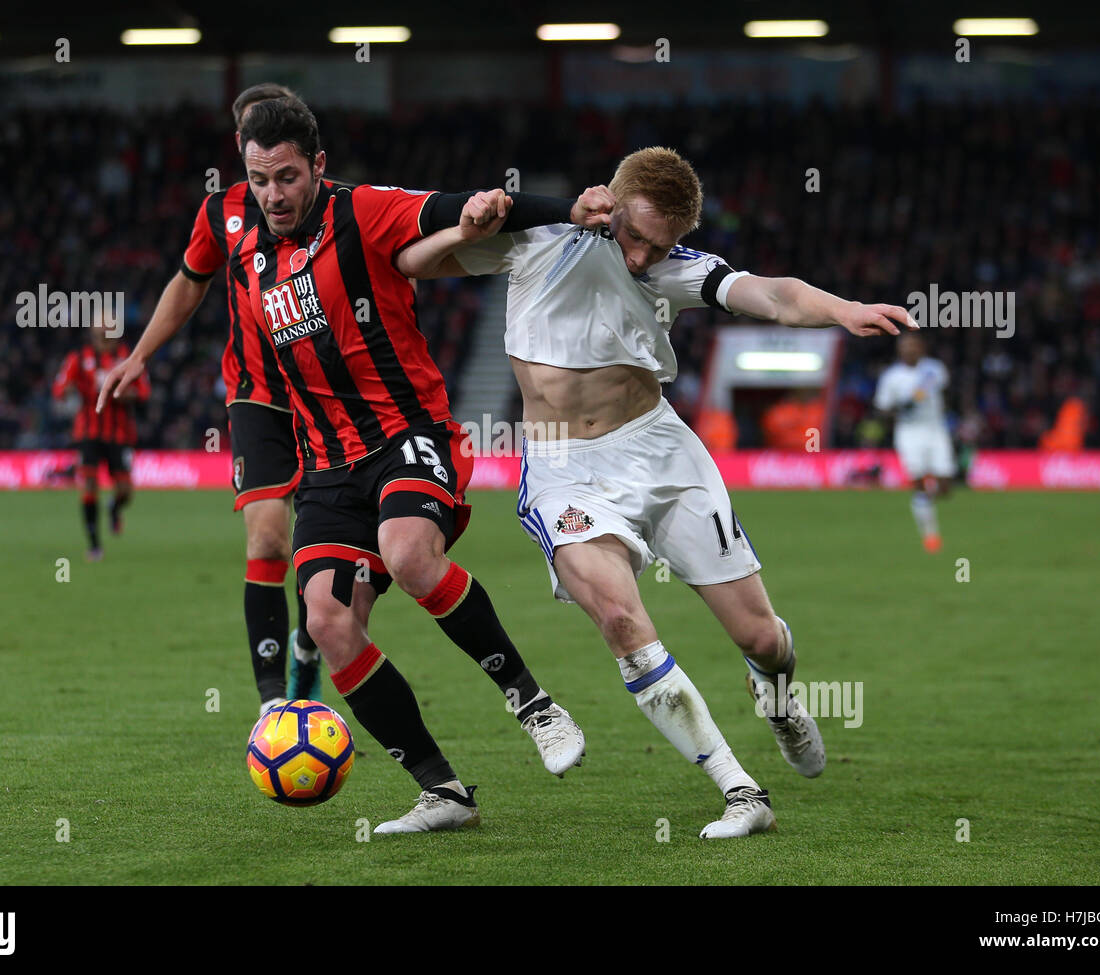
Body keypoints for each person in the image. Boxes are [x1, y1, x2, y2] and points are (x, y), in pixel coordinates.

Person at [396, 146, 914, 838]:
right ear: (608, 201)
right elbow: (414, 263)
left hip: (661, 455)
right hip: (562, 469)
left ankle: (778, 695)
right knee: (618, 617)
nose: (641, 256)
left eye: (658, 243)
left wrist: (843, 309)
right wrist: (471, 223)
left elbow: (773, 293)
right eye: (633, 235)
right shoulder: (535, 240)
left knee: (762, 636)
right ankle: (741, 791)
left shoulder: (673, 269)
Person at [229, 97, 610, 832]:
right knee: (330, 620)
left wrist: (570, 208)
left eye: (285, 176)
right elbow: (266, 378)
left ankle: (533, 703)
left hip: (409, 433)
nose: (272, 194)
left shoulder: (363, 210)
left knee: (408, 554)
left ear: (317, 166)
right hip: (328, 467)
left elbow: (462, 208)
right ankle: (443, 790)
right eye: (257, 179)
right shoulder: (248, 261)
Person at [97, 85, 322, 713]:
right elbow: (188, 284)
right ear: (240, 144)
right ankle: (274, 705)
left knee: (324, 557)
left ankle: (309, 648)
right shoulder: (221, 211)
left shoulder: (328, 205)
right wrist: (139, 354)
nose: (271, 184)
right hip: (257, 397)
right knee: (268, 541)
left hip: (331, 397)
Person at [52, 327, 148, 561]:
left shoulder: (129, 357)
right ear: (93, 335)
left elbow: (144, 392)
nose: (104, 339)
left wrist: (122, 393)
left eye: (108, 334)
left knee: (125, 492)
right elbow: (59, 389)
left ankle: (114, 506)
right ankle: (94, 545)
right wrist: (69, 390)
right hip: (88, 433)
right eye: (100, 334)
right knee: (89, 485)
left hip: (120, 433)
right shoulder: (78, 359)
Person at [874, 333, 954, 552]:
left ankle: (923, 501)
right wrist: (899, 408)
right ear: (900, 350)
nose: (909, 350)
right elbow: (881, 407)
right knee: (918, 481)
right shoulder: (892, 377)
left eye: (913, 345)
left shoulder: (934, 369)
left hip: (936, 429)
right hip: (909, 432)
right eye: (905, 346)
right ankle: (930, 535)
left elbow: (947, 392)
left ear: (921, 348)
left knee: (945, 485)